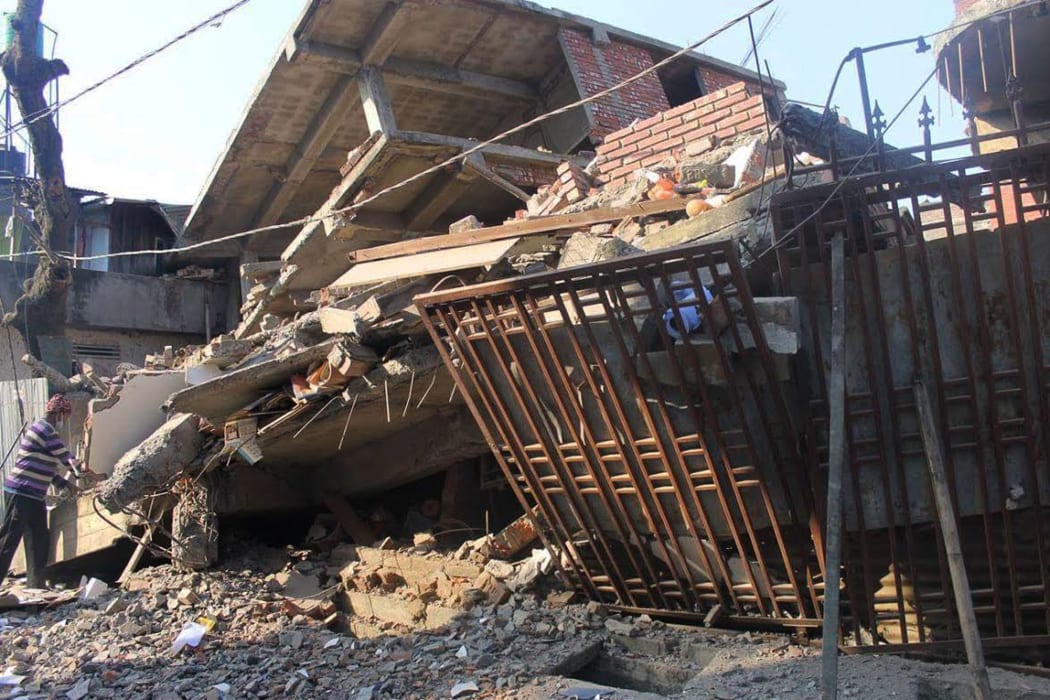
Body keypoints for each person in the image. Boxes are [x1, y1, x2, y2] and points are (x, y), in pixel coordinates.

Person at [0, 394, 82, 589]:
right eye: (66, 417)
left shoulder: (45, 431)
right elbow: (66, 457)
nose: (65, 421)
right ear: (59, 414)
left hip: (34, 495)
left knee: (39, 539)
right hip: (20, 492)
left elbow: (47, 469)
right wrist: (81, 471)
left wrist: (64, 484)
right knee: (9, 538)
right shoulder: (45, 429)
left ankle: (36, 584)